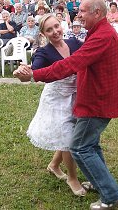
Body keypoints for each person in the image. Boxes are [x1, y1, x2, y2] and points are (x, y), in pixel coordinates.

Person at [14, 0, 118, 209]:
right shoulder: (98, 33)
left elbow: (71, 64)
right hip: (95, 99)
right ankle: (100, 184)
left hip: (97, 102)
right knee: (90, 144)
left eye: (83, 11)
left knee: (79, 147)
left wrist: (32, 76)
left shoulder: (100, 36)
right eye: (49, 29)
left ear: (98, 13)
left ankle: (112, 196)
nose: (78, 14)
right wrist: (29, 70)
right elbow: (40, 64)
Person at [24, 14, 87, 197]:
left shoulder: (75, 43)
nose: (55, 32)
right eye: (49, 30)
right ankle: (72, 178)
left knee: (68, 134)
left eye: (56, 26)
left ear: (62, 25)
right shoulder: (43, 52)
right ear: (44, 33)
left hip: (75, 95)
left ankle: (53, 165)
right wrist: (26, 71)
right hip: (56, 98)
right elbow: (35, 70)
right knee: (67, 138)